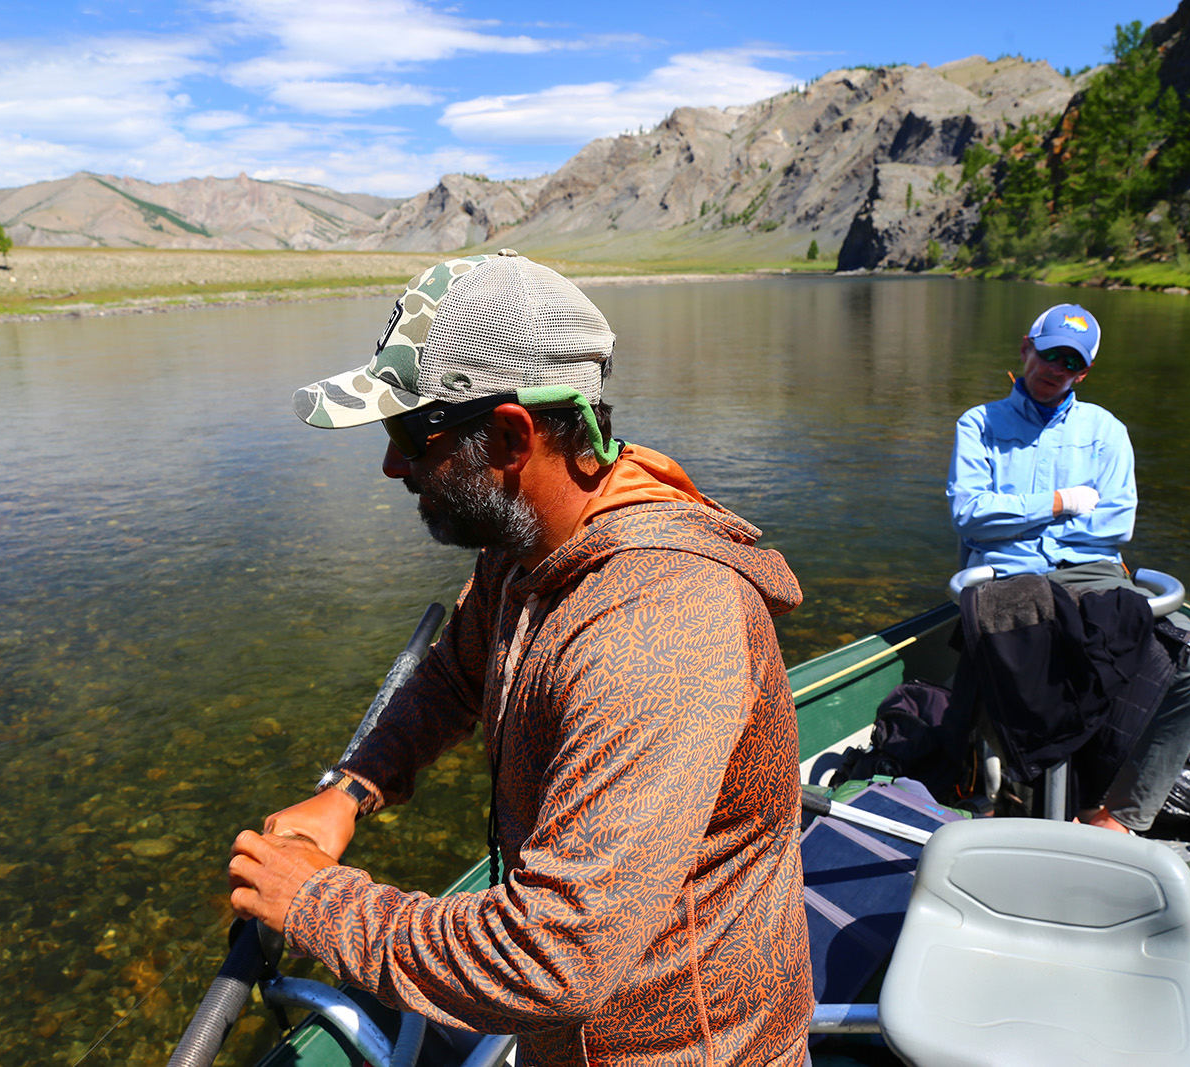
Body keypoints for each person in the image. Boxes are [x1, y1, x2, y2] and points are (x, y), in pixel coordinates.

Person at [228, 249, 812, 1066]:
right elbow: (455, 672)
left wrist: (317, 902)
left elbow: (553, 956)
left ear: (510, 435)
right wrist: (357, 788)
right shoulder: (525, 547)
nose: (393, 464)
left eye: (408, 433)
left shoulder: (660, 626)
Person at [947, 303, 1190, 834]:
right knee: (1029, 665)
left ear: (1084, 372)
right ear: (1026, 347)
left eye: (1071, 363)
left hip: (1094, 576)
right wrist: (1059, 503)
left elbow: (1114, 525)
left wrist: (1019, 518)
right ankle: (1006, 797)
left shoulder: (1107, 430)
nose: (1056, 368)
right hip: (1010, 580)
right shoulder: (979, 425)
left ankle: (1118, 817)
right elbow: (970, 516)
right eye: (1049, 353)